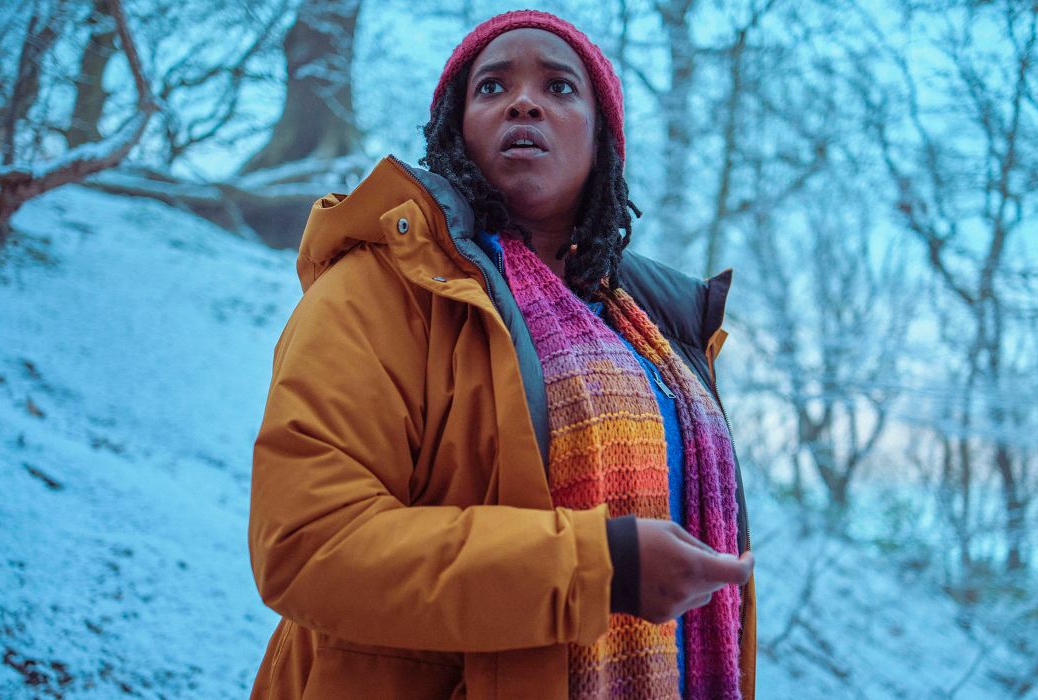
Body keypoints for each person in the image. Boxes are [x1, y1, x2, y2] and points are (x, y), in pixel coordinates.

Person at [247, 10, 755, 699]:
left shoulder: (658, 331)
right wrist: (598, 568)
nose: (523, 101)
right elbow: (310, 546)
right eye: (491, 88)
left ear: (602, 140)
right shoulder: (375, 292)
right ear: (454, 132)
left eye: (560, 87)